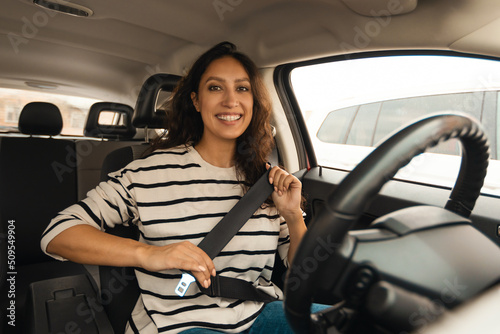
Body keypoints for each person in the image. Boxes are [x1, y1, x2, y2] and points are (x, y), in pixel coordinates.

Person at [41, 42, 320, 333]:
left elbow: (302, 275)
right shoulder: (145, 172)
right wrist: (150, 255)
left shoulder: (268, 180)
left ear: (254, 102)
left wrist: (293, 216)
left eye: (242, 88)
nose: (230, 101)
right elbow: (57, 233)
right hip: (177, 324)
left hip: (260, 317)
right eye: (215, 88)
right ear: (196, 101)